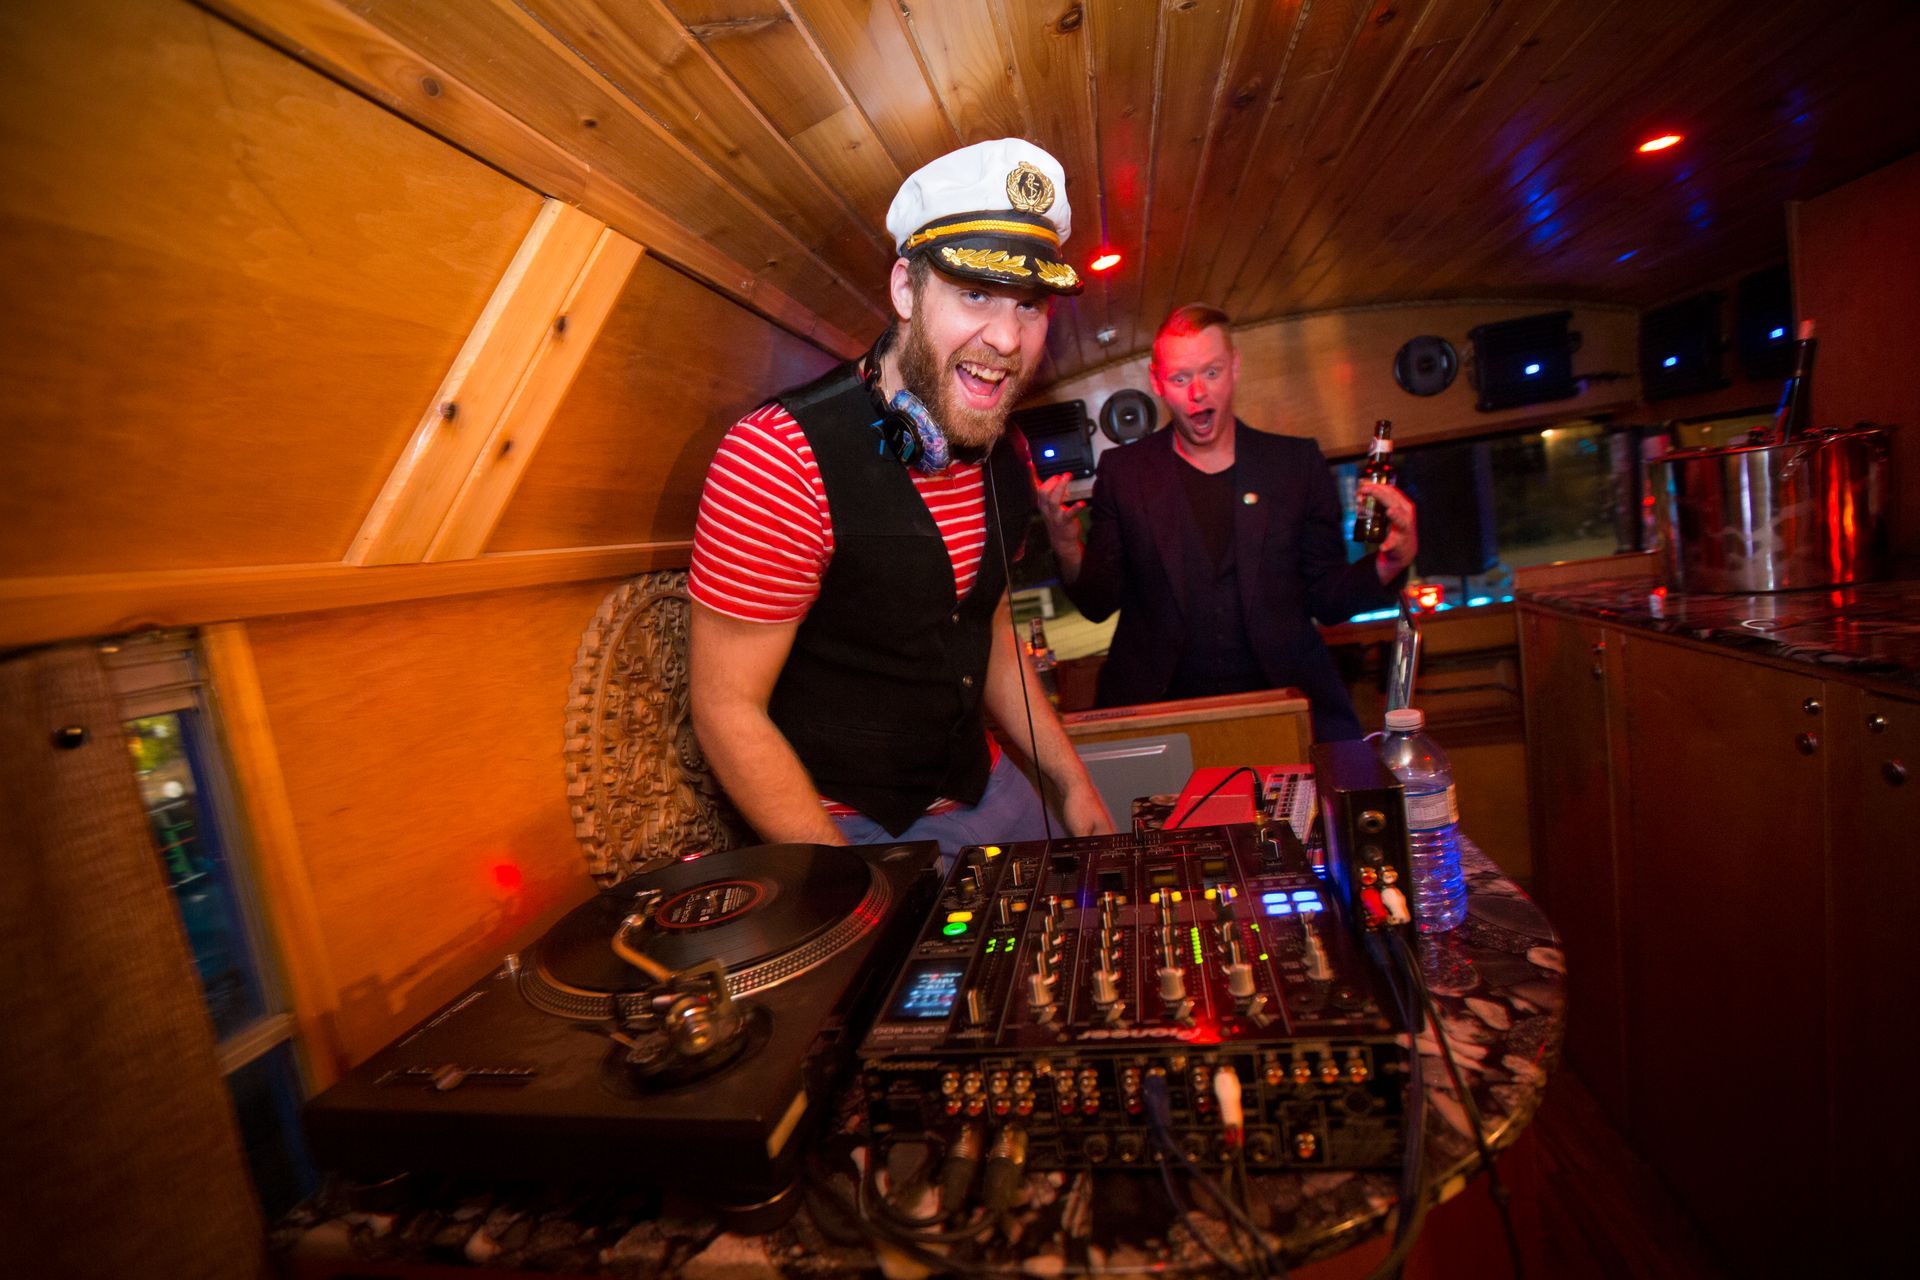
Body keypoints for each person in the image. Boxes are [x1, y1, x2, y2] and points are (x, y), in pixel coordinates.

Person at [688, 138, 1115, 862]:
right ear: (906, 291)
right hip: (850, 826)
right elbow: (727, 712)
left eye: (1031, 305)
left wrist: (1072, 783)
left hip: (988, 787)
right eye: (974, 292)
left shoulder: (1001, 449)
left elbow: (990, 631)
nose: (1007, 338)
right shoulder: (779, 459)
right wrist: (851, 894)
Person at [1037, 304, 1417, 741]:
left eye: (1212, 372)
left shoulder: (1294, 464)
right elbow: (1097, 602)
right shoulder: (1125, 473)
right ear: (1157, 382)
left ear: (1235, 368)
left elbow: (1328, 599)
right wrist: (1066, 545)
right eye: (1181, 378)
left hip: (1282, 703)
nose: (1198, 392)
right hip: (1161, 713)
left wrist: (1392, 559)